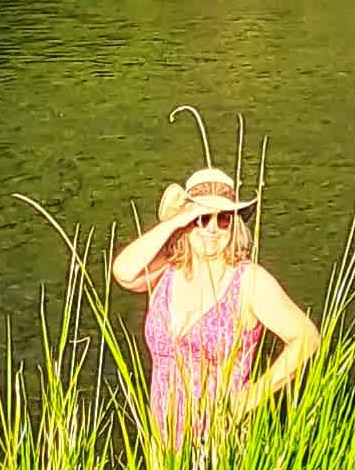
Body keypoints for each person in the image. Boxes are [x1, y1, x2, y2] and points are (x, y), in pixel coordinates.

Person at [111, 167, 321, 446]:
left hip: (220, 440)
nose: (212, 228)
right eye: (202, 218)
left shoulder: (249, 281)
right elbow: (123, 271)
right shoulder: (166, 272)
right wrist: (176, 221)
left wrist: (248, 399)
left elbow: (306, 338)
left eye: (223, 219)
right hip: (163, 442)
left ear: (234, 226)